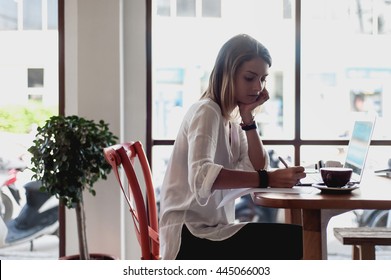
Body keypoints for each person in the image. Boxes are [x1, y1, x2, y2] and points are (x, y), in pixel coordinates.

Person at [159, 34, 306, 260]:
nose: (258, 87)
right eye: (249, 78)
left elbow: (257, 166)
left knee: (291, 240)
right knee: (292, 241)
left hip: (211, 229)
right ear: (227, 74)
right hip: (189, 234)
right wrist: (268, 179)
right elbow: (201, 177)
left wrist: (248, 119)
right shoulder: (206, 111)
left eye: (263, 79)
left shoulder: (230, 120)